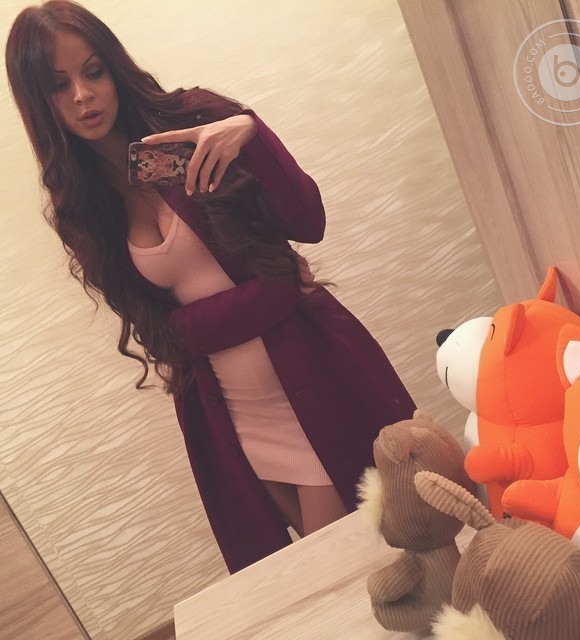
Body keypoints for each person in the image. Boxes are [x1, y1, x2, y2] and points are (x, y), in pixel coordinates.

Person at [6, 0, 416, 573]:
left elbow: (308, 221)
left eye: (93, 71)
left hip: (310, 382)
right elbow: (164, 334)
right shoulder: (84, 207)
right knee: (319, 579)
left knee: (356, 566)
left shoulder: (192, 125)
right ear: (37, 100)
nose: (83, 95)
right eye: (58, 85)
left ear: (113, 67)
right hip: (231, 417)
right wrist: (270, 295)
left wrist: (250, 129)